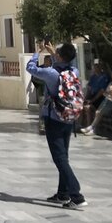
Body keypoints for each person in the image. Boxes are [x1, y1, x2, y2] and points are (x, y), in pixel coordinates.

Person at [26, 42, 86, 209]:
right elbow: (65, 64)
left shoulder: (51, 73)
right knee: (63, 156)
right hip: (68, 118)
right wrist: (55, 55)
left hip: (54, 118)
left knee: (59, 158)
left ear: (59, 56)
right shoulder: (74, 71)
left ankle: (76, 195)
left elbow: (31, 68)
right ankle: (63, 193)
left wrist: (37, 53)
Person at [80, 70, 112, 136]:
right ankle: (92, 129)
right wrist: (110, 92)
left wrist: (110, 92)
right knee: (97, 112)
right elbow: (105, 93)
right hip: (107, 99)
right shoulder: (111, 83)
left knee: (98, 113)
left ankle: (91, 127)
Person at [82, 62, 109, 128]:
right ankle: (81, 124)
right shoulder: (93, 77)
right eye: (95, 67)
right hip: (92, 95)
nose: (95, 69)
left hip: (99, 97)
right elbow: (89, 89)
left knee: (88, 108)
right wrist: (86, 98)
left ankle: (89, 126)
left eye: (97, 67)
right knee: (81, 106)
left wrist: (92, 100)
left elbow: (101, 91)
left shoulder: (104, 77)